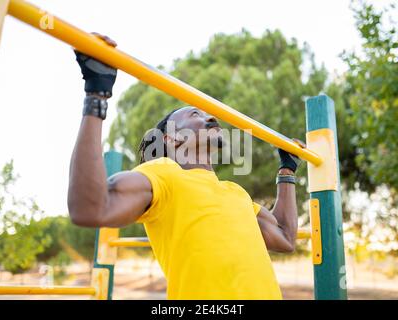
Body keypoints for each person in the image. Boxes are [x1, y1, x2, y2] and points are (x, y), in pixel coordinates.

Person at [68, 34, 304, 300]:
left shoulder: (235, 192)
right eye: (195, 114)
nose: (211, 117)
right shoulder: (163, 174)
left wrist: (286, 171)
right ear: (172, 137)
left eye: (206, 114)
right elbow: (90, 208)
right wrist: (97, 95)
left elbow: (285, 237)